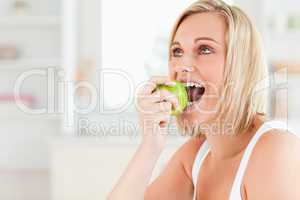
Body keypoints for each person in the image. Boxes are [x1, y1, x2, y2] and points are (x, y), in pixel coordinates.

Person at [108, 0, 300, 199]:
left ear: (239, 65)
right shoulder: (195, 155)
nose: (183, 65)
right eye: (177, 51)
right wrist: (150, 145)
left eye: (204, 49)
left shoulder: (277, 150)